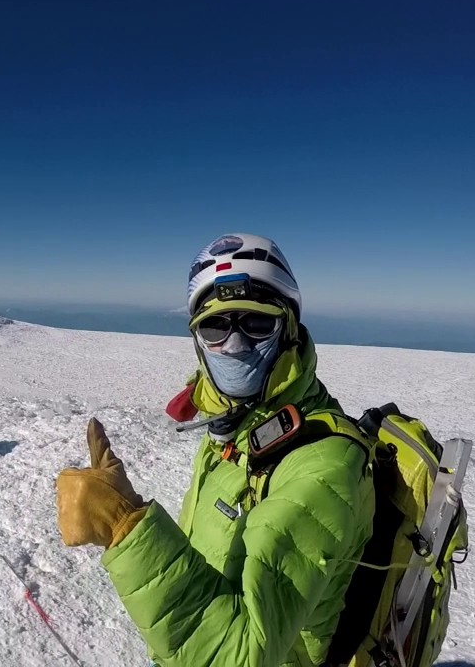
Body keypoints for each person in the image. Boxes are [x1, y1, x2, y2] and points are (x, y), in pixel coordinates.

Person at [55, 233, 376, 667]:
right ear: (197, 341)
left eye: (257, 323)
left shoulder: (321, 465)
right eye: (215, 326)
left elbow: (245, 656)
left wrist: (124, 526)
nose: (235, 343)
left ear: (290, 331)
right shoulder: (238, 430)